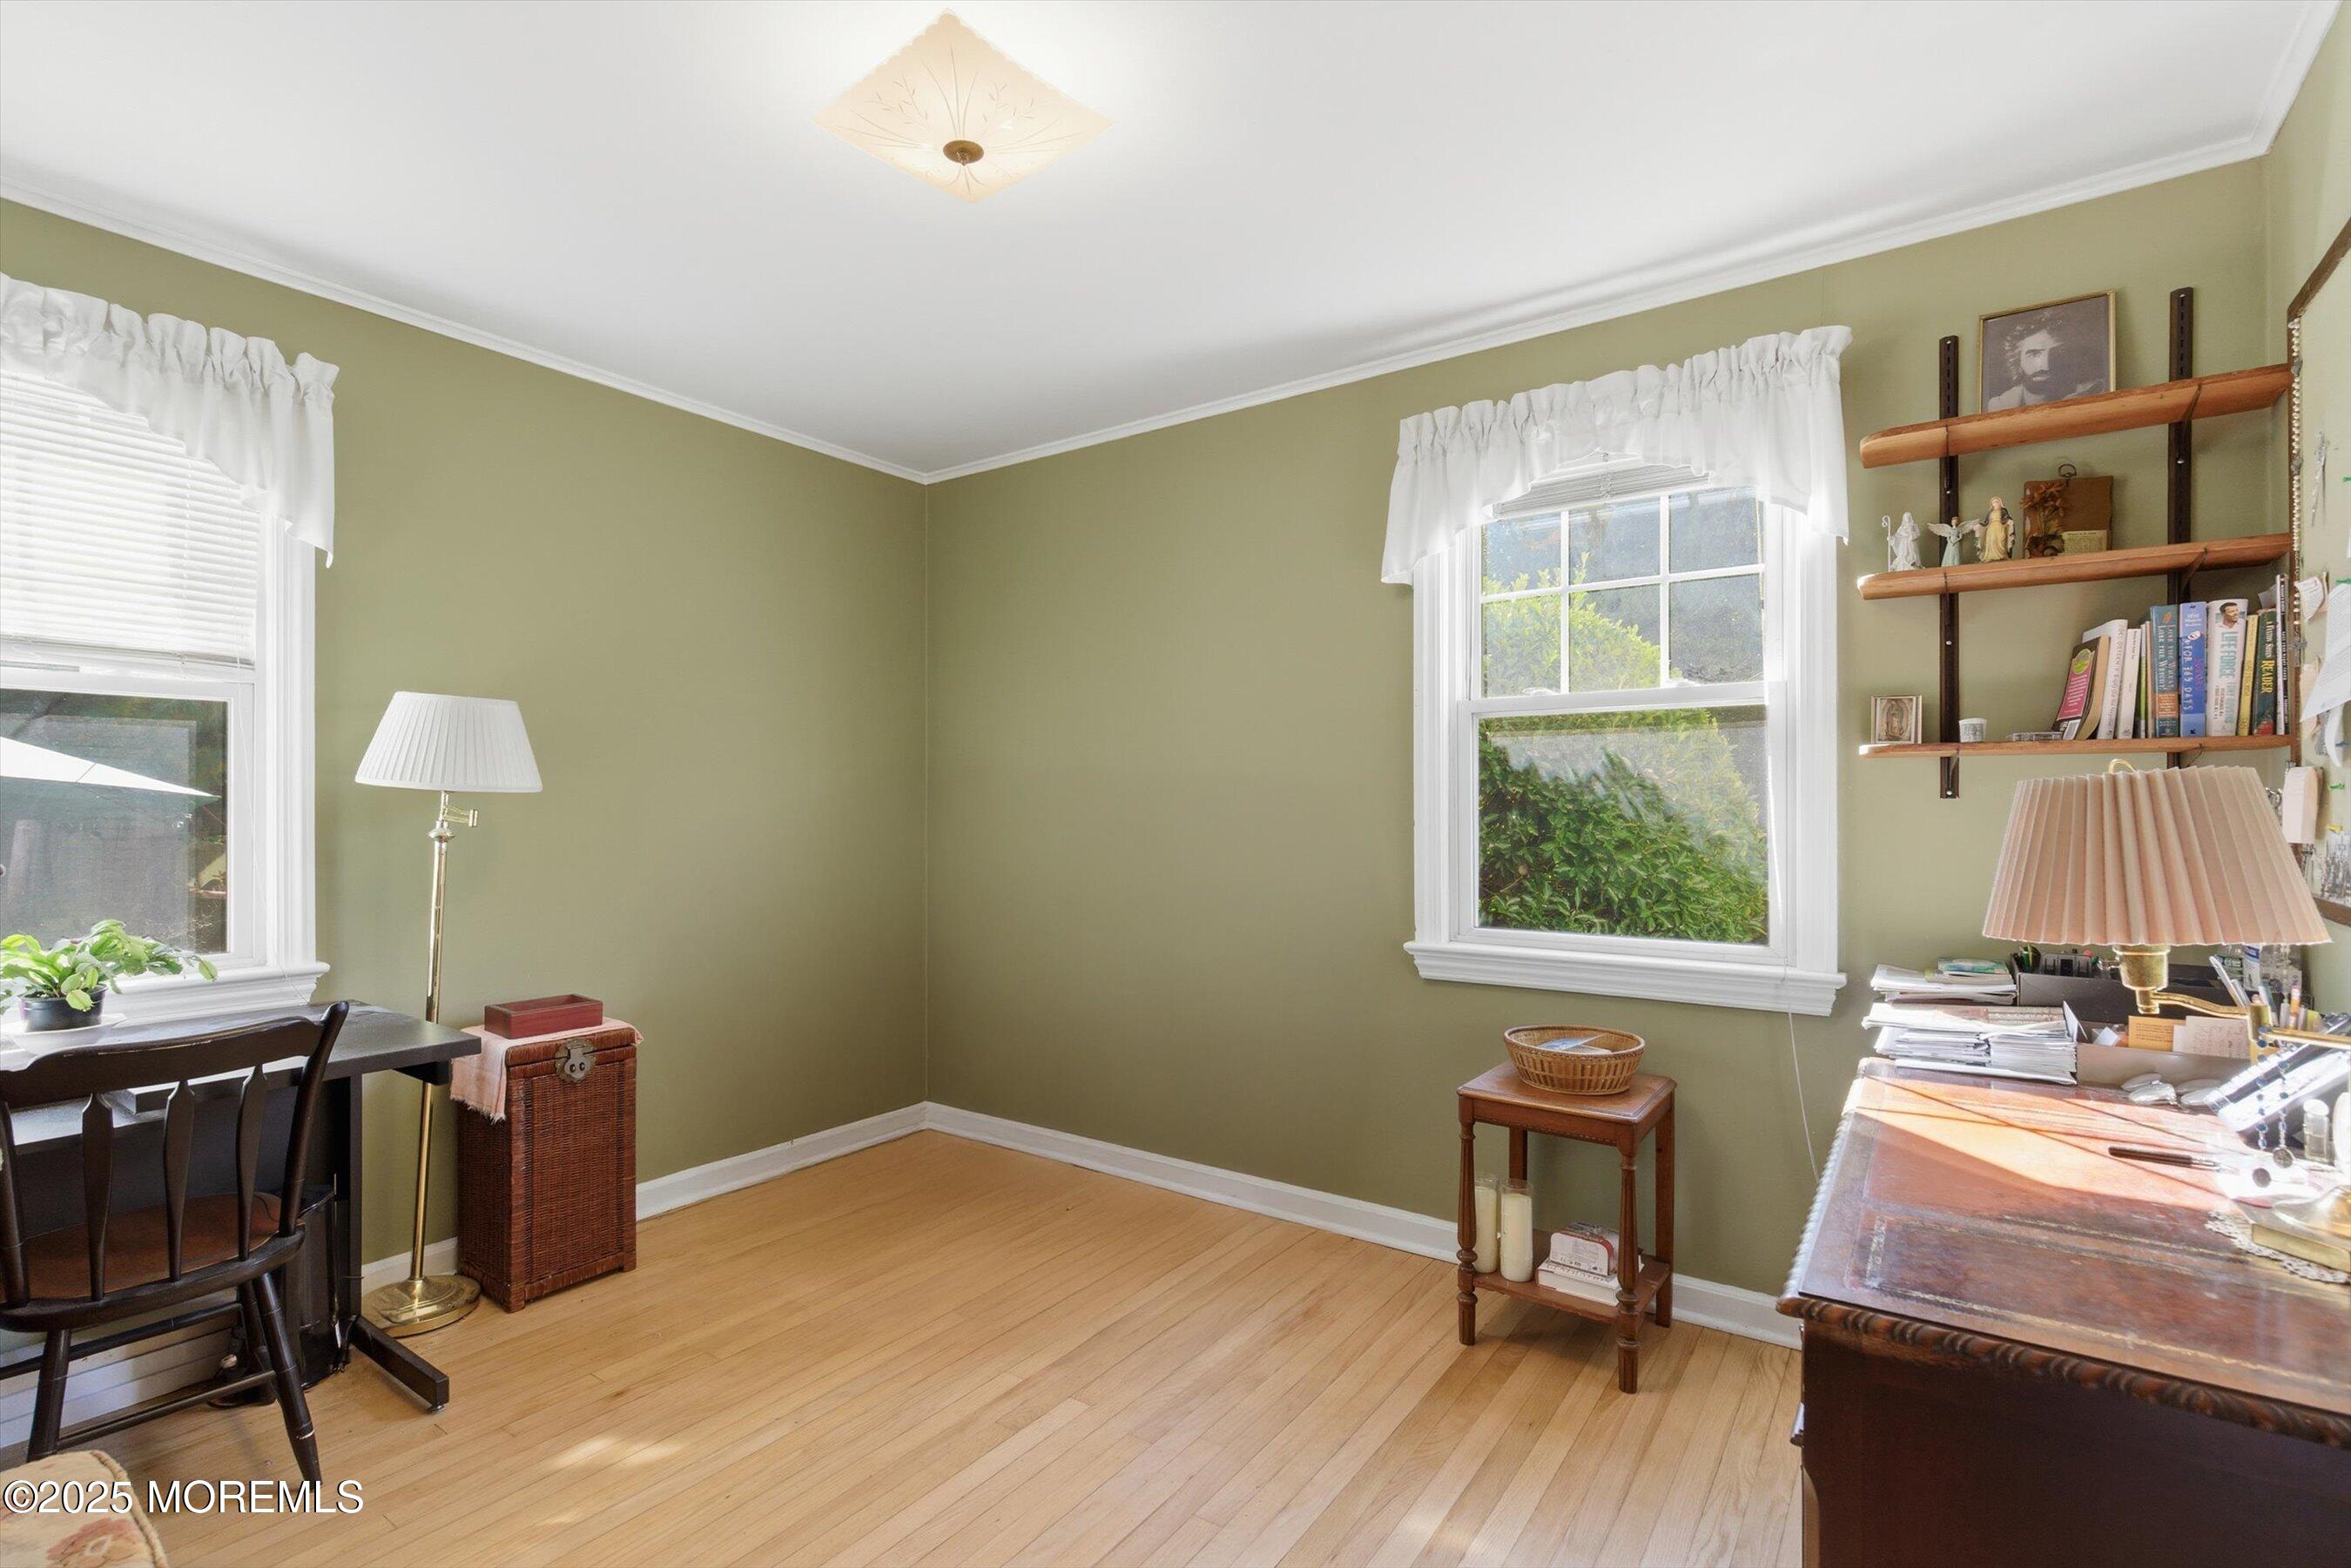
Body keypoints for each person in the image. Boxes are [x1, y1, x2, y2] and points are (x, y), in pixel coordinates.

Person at [1986, 306, 2106, 409]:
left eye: (2058, 353)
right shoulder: (1997, 406)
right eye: (2034, 354)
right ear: (2017, 360)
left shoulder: (2097, 394)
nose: (2045, 365)